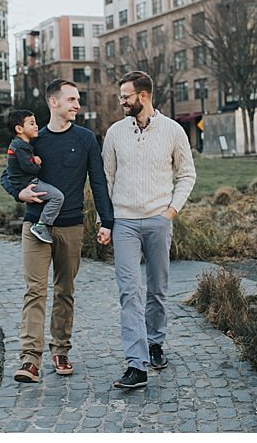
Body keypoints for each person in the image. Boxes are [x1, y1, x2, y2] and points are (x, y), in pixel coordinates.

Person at [0, 79, 114, 383]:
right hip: (34, 226)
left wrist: (107, 221)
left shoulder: (87, 138)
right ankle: (30, 360)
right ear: (54, 102)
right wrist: (18, 193)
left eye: (78, 100)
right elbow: (6, 174)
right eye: (72, 100)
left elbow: (98, 182)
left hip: (71, 226)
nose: (77, 105)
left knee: (65, 291)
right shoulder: (34, 138)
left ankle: (60, 350)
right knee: (35, 291)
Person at [102, 70, 196, 389]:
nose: (121, 101)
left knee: (157, 288)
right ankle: (136, 364)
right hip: (124, 222)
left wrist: (171, 211)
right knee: (130, 291)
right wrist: (108, 219)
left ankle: (155, 343)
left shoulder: (172, 131)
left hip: (158, 220)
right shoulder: (115, 133)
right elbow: (107, 178)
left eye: (125, 96)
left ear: (143, 96)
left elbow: (187, 174)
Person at [4, 109, 64, 244]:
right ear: (19, 128)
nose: (36, 126)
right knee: (57, 197)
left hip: (24, 183)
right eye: (31, 123)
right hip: (28, 184)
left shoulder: (19, 144)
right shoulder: (21, 146)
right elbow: (28, 167)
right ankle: (41, 225)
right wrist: (37, 163)